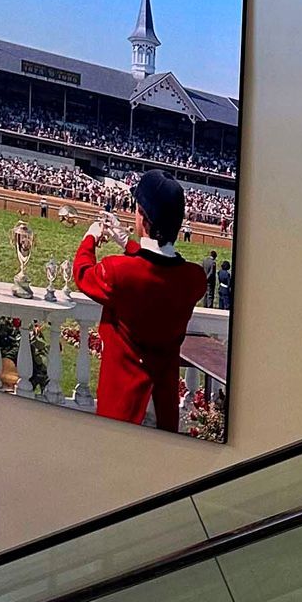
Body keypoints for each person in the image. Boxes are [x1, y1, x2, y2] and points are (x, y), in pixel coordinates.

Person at [71, 170, 209, 432]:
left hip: (123, 405)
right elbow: (157, 269)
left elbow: (83, 273)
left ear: (142, 216)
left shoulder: (117, 272)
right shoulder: (194, 279)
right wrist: (126, 241)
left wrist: (90, 237)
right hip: (163, 406)